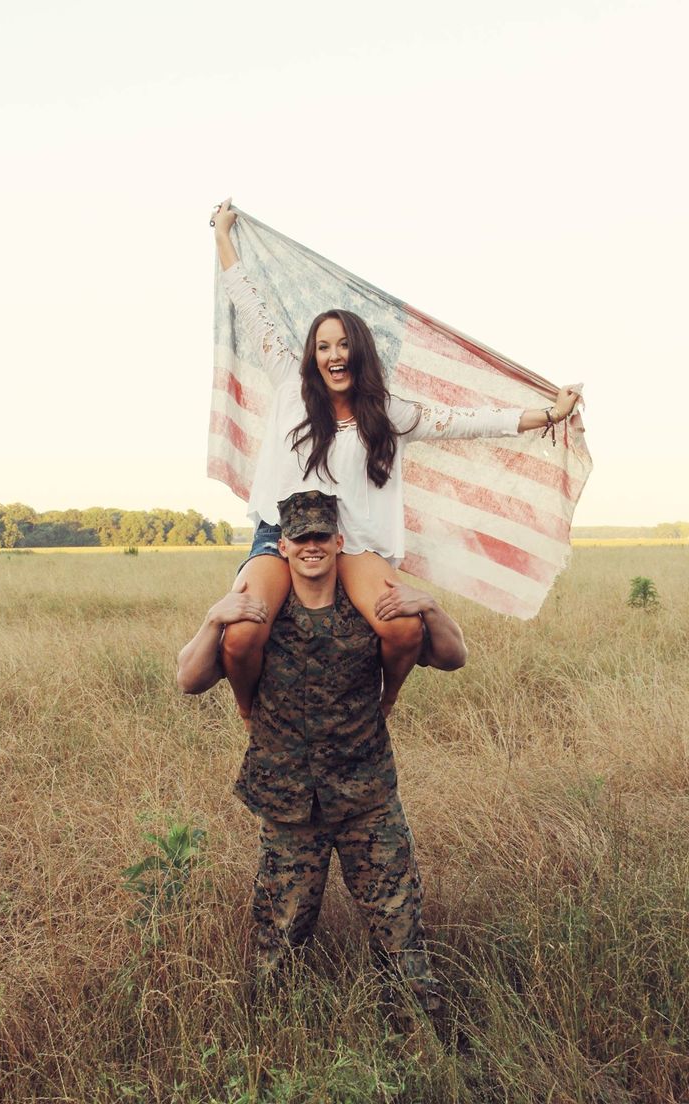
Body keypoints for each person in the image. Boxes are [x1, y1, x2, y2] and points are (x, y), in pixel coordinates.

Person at [210, 199, 580, 721]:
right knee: (242, 633)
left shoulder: (390, 415)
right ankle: (250, 711)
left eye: (343, 345)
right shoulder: (290, 386)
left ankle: (385, 703)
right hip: (282, 534)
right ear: (312, 357)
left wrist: (547, 414)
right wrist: (223, 234)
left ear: (359, 352)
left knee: (402, 628)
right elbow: (251, 306)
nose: (334, 355)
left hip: (356, 542)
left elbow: (468, 420)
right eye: (323, 347)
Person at [177, 490, 466, 1012]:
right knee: (278, 947)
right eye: (300, 538)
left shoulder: (370, 611)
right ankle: (273, 1041)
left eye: (321, 537)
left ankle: (425, 1038)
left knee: (402, 938)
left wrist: (431, 605)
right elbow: (189, 680)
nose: (311, 547)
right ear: (282, 546)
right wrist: (212, 620)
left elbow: (453, 657)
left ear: (338, 542)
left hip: (366, 799)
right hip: (290, 806)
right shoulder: (259, 617)